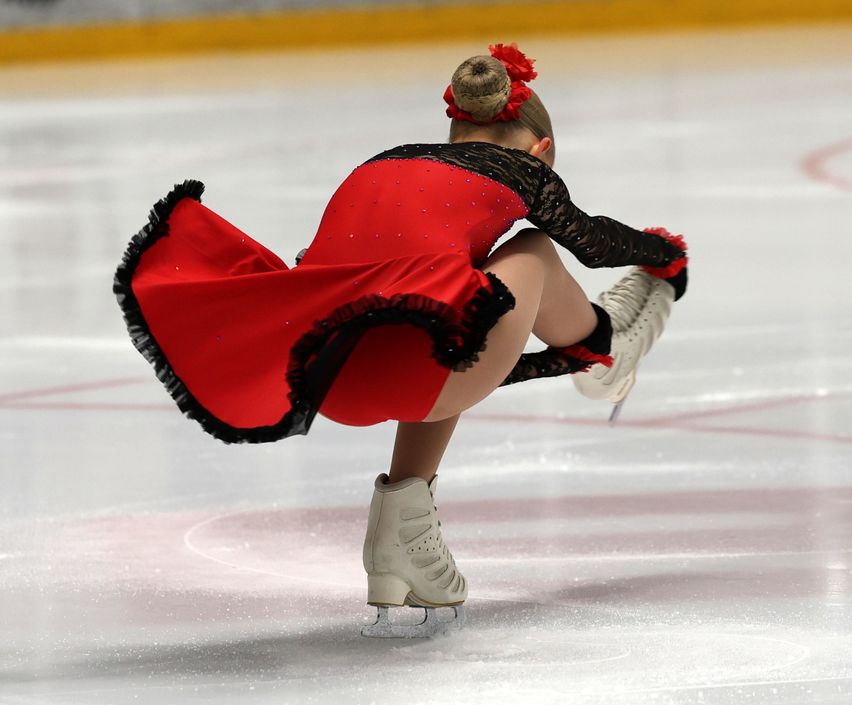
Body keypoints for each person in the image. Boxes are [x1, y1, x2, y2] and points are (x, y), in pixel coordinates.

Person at [112, 43, 688, 638]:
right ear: (541, 150)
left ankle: (401, 532)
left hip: (327, 376)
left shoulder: (380, 163)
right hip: (425, 373)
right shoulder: (521, 170)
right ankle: (605, 349)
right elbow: (593, 244)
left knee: (445, 295)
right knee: (530, 252)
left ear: (453, 130)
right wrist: (665, 253)